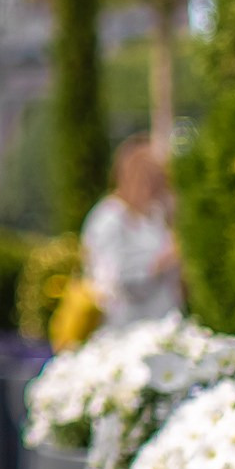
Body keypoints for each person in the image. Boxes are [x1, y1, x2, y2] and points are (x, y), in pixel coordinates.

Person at [82, 137, 182, 330]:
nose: (158, 190)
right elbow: (115, 279)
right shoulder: (109, 218)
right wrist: (163, 262)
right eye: (153, 180)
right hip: (125, 330)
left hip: (160, 326)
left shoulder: (152, 217)